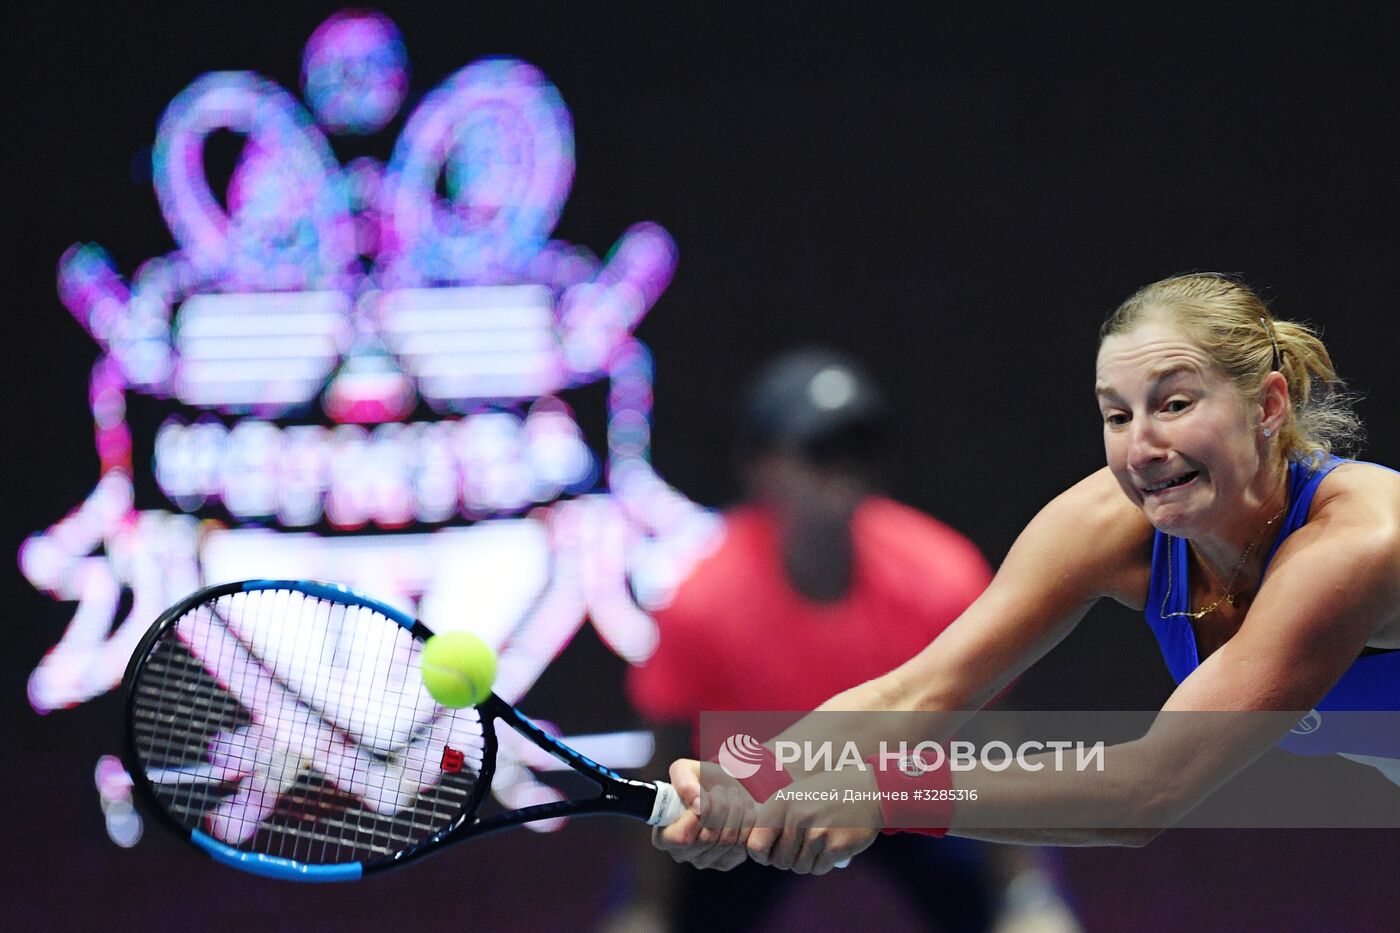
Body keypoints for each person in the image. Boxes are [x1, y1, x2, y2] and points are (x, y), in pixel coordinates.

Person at [651, 273, 1400, 873]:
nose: (1141, 446)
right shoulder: (1111, 518)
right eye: (1116, 415)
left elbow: (1148, 790)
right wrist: (750, 784)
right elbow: (918, 691)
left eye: (1175, 403)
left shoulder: (1356, 542)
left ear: (1268, 405)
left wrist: (882, 792)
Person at [619, 348, 1078, 930]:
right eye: (818, 450)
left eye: (857, 450)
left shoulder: (944, 576)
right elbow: (666, 752)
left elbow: (992, 736)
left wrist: (1027, 894)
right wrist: (646, 908)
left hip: (904, 787)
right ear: (761, 466)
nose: (842, 471)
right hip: (755, 795)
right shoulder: (699, 601)